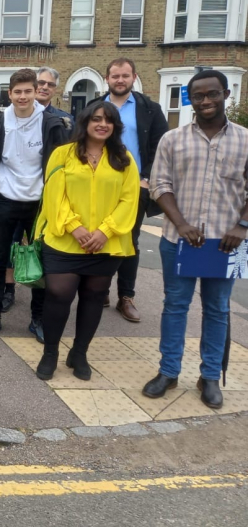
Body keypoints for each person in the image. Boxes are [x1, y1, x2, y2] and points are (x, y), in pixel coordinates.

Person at [141, 70, 248, 410]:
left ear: (226, 94)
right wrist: (182, 223)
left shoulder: (245, 139)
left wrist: (242, 225)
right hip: (178, 240)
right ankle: (168, 371)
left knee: (217, 310)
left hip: (225, 244)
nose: (205, 101)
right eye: (198, 96)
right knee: (175, 306)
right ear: (190, 99)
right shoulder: (173, 140)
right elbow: (159, 185)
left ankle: (210, 377)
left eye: (211, 94)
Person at [34, 101, 139, 381]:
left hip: (105, 244)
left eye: (108, 120)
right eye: (96, 119)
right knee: (58, 294)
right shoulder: (63, 154)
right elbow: (54, 195)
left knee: (94, 297)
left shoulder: (124, 159)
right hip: (65, 239)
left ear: (115, 126)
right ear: (85, 122)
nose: (102, 124)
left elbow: (130, 199)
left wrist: (106, 231)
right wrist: (74, 226)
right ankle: (51, 353)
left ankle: (79, 353)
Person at [0, 68, 68, 341]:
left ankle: (38, 318)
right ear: (9, 94)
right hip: (5, 199)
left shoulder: (51, 123)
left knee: (41, 262)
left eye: (28, 91)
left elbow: (60, 166)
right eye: (17, 92)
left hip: (39, 203)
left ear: (36, 91)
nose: (22, 96)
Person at [98, 58, 168, 323]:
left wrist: (147, 178)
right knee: (100, 237)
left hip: (134, 187)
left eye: (125, 76)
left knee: (129, 242)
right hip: (101, 186)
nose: (120, 80)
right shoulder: (96, 107)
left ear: (133, 77)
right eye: (115, 76)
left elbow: (161, 146)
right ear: (107, 78)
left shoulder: (149, 109)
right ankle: (100, 289)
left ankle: (125, 296)